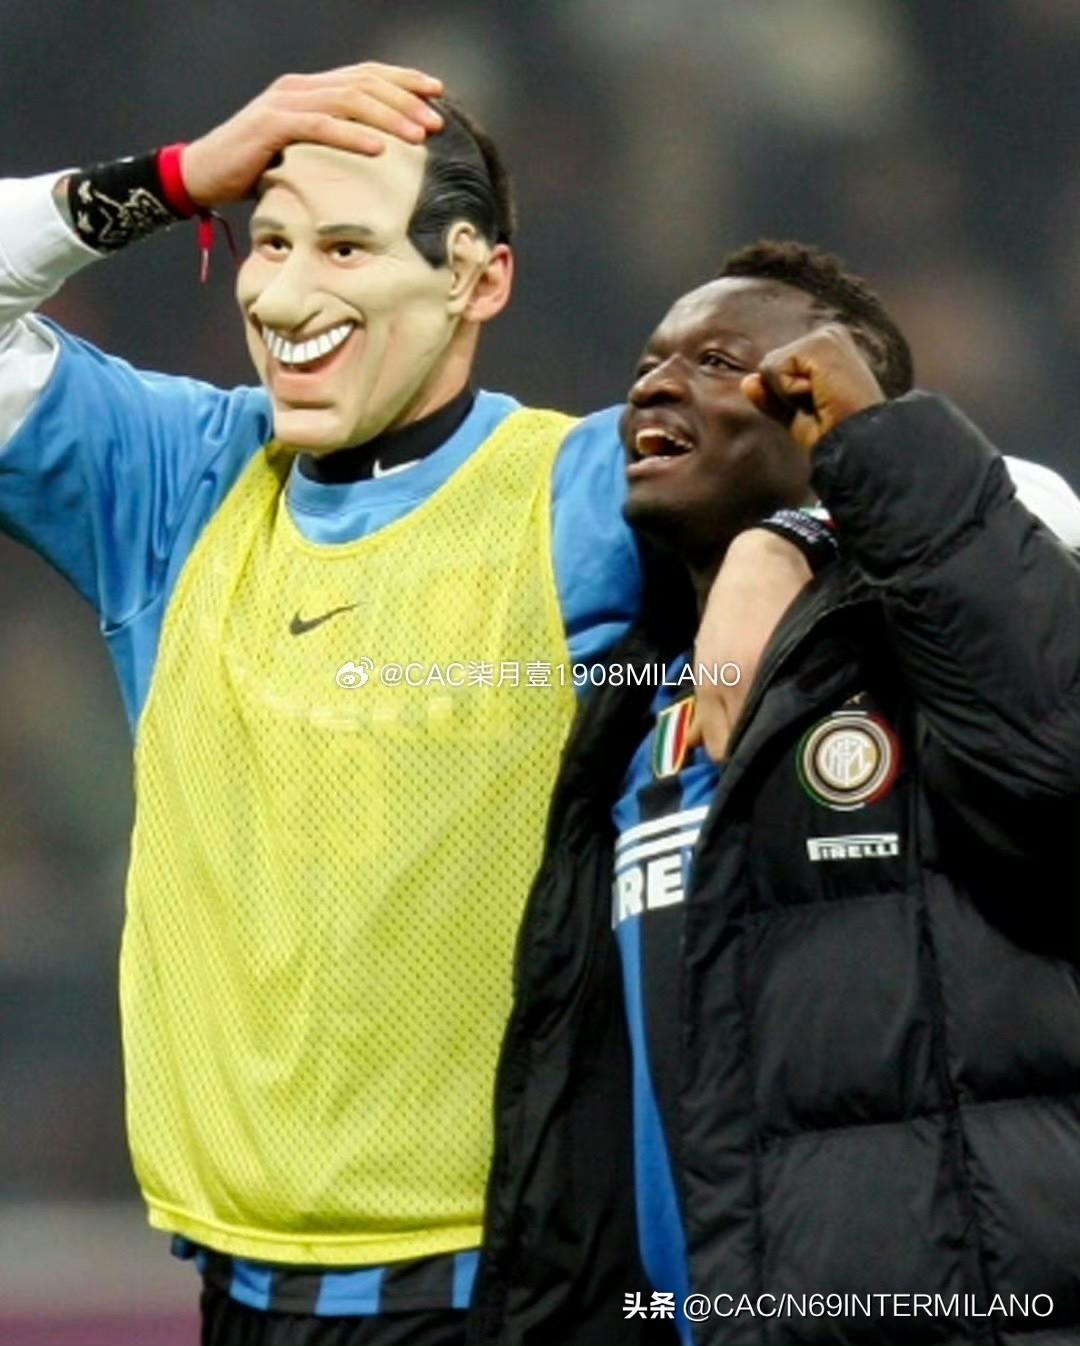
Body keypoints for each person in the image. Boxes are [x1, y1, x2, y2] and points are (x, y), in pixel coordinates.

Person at [2, 68, 1078, 1346]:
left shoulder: (582, 489)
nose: (283, 294)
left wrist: (787, 534)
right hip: (235, 1288)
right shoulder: (168, 485)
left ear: (477, 276)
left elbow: (1020, 509)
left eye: (344, 247)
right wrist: (174, 179)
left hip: (521, 1285)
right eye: (268, 243)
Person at [471, 243, 1080, 1346]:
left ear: (823, 409)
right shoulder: (630, 710)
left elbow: (1052, 749)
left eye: (718, 361)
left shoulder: (925, 636)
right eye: (648, 365)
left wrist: (841, 488)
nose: (656, 386)